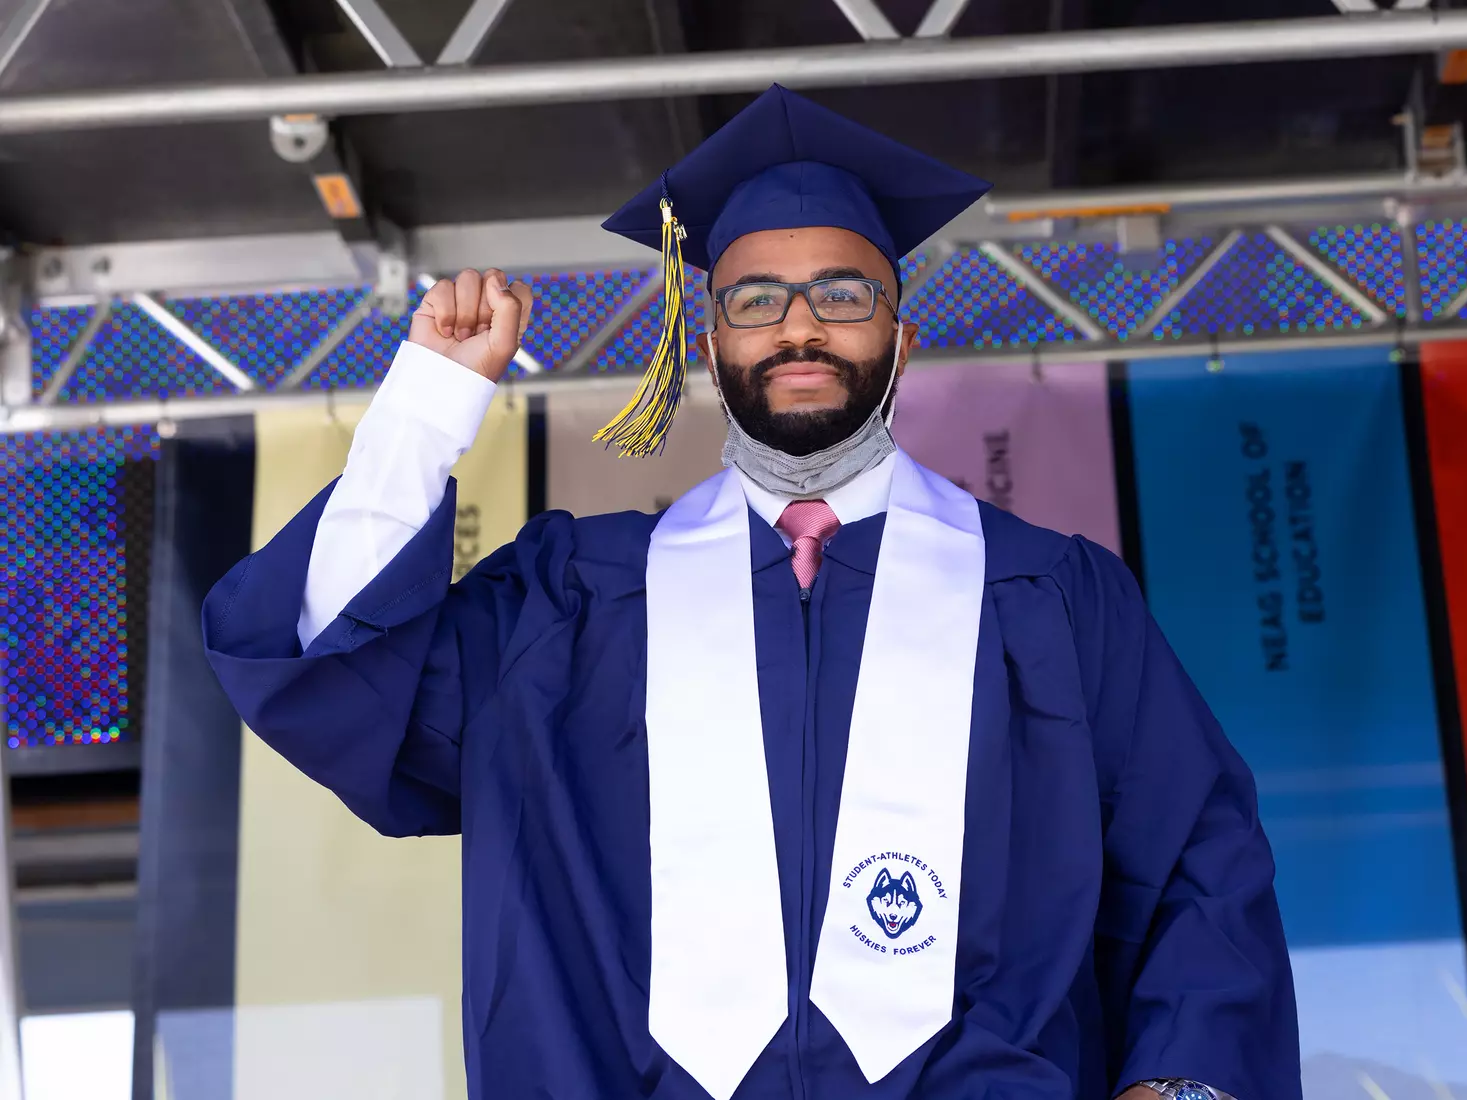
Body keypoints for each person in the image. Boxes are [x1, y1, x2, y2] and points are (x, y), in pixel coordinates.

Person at [203, 85, 1299, 1100]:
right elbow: (328, 662)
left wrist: (1184, 1083)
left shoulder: (1050, 600)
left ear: (901, 337)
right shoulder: (568, 606)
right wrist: (427, 406)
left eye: (842, 292)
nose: (798, 326)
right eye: (755, 299)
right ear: (711, 342)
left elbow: (1199, 858)